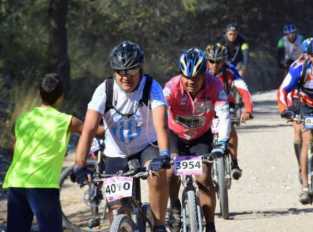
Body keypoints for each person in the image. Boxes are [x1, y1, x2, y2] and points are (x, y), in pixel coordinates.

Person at [74, 41, 169, 231]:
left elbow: (161, 125)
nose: (125, 77)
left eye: (131, 71)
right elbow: (89, 129)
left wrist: (165, 154)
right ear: (114, 71)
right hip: (115, 152)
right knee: (117, 207)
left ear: (140, 69)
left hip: (146, 147)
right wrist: (79, 164)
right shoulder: (104, 90)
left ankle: (159, 224)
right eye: (120, 72)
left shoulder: (151, 86)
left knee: (157, 174)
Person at [2, 73, 94, 232]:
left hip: (17, 182)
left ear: (40, 93)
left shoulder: (23, 118)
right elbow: (92, 130)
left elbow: (15, 147)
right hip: (42, 183)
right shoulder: (65, 120)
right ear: (61, 97)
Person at [164, 48, 230, 232]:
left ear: (204, 74)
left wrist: (222, 143)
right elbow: (158, 112)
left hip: (201, 136)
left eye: (196, 77)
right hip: (175, 135)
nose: (190, 82)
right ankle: (175, 205)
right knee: (170, 172)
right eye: (186, 77)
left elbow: (224, 114)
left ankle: (210, 225)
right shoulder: (171, 87)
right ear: (181, 74)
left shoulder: (215, 84)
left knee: (204, 178)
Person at [206, 42, 253, 180]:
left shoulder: (230, 72)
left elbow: (243, 90)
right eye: (211, 61)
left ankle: (234, 162)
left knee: (230, 129)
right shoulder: (201, 72)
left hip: (227, 104)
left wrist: (248, 109)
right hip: (206, 106)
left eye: (218, 62)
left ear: (224, 61)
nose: (214, 65)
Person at [277, 37, 313, 204]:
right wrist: (284, 109)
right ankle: (305, 187)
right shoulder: (299, 68)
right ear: (307, 55)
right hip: (306, 108)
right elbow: (283, 90)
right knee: (306, 140)